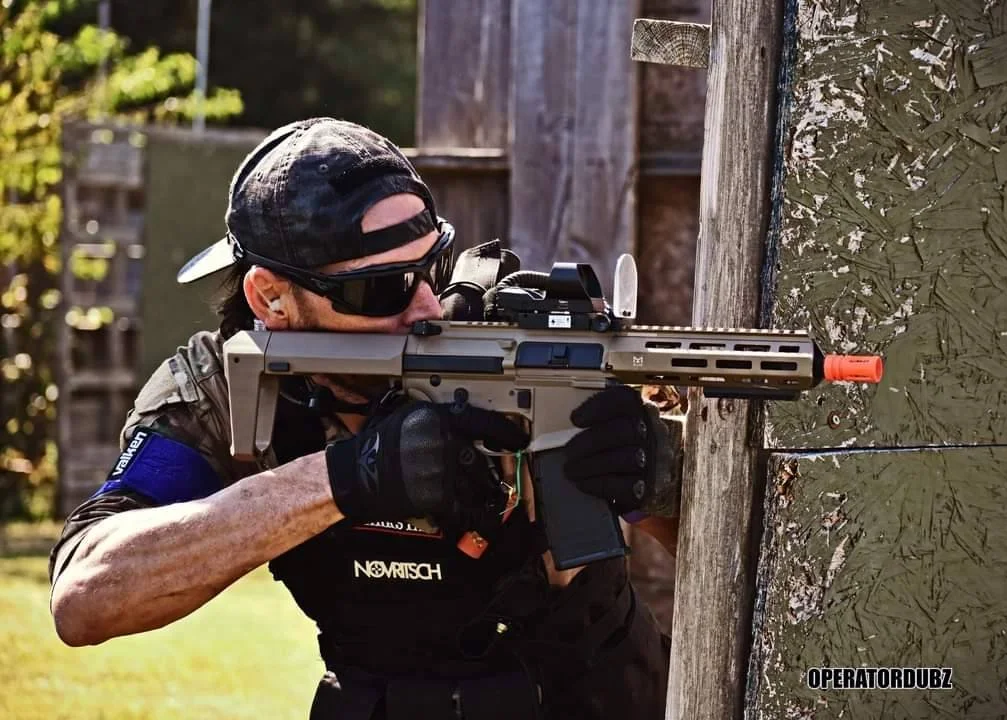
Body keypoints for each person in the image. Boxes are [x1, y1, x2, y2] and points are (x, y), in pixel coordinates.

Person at [48, 117, 680, 719]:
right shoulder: (227, 385)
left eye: (433, 266)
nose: (426, 304)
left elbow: (729, 548)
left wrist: (666, 481)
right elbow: (86, 597)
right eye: (382, 289)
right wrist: (348, 478)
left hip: (590, 696)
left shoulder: (511, 351)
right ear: (271, 299)